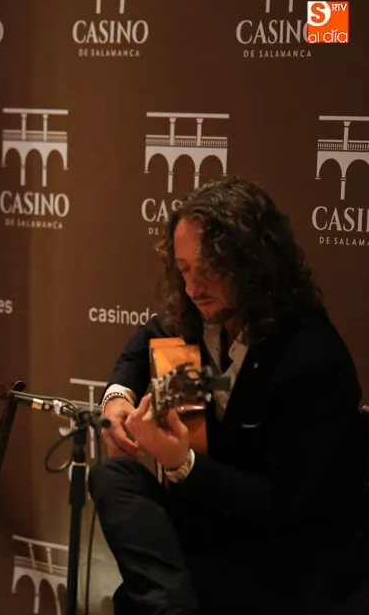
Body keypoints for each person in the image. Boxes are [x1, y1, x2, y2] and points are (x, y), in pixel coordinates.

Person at [90, 176, 369, 615]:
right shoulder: (199, 317)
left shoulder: (311, 356)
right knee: (113, 477)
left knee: (135, 602)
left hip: (284, 554)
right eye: (183, 269)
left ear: (254, 264)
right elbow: (146, 340)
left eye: (209, 269)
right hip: (208, 524)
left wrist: (183, 464)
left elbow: (283, 505)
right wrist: (117, 398)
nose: (193, 287)